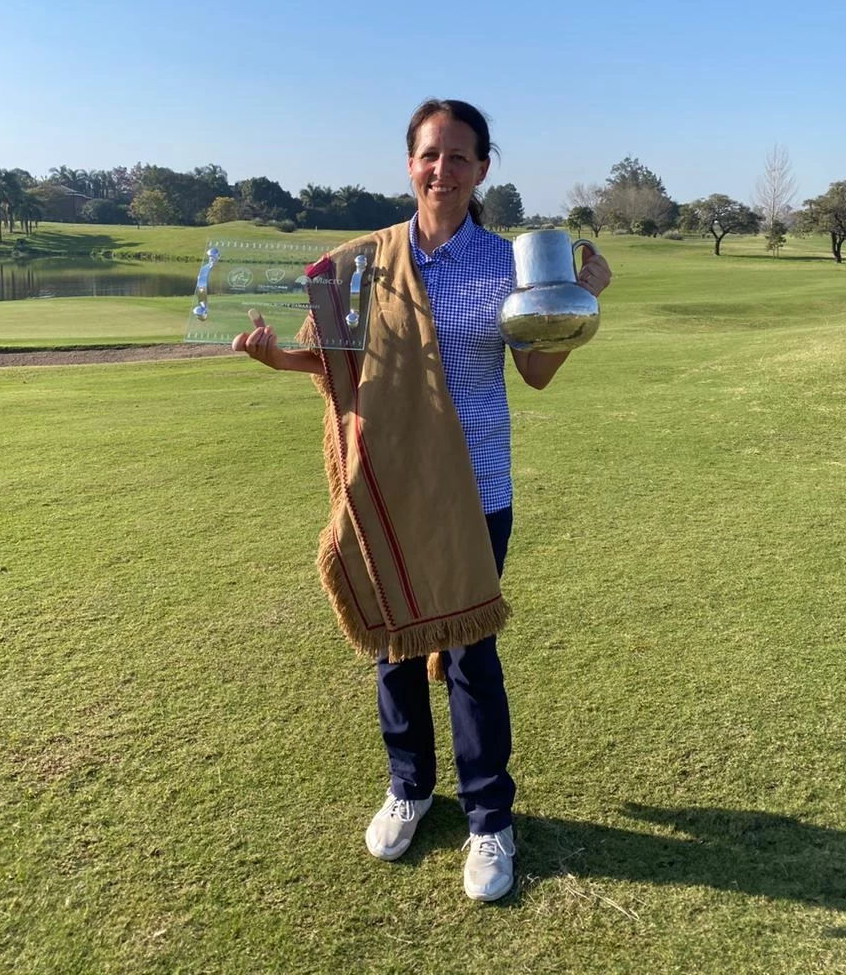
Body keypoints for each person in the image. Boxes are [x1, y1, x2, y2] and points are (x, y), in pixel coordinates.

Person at [233, 99, 611, 902]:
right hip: (391, 483)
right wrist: (275, 360)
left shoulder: (509, 263)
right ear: (410, 163)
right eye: (430, 154)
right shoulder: (361, 262)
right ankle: (410, 786)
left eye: (461, 157)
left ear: (482, 170)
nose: (443, 170)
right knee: (394, 648)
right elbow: (326, 358)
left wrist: (580, 306)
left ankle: (488, 820)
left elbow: (535, 375)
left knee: (472, 659)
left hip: (479, 488)